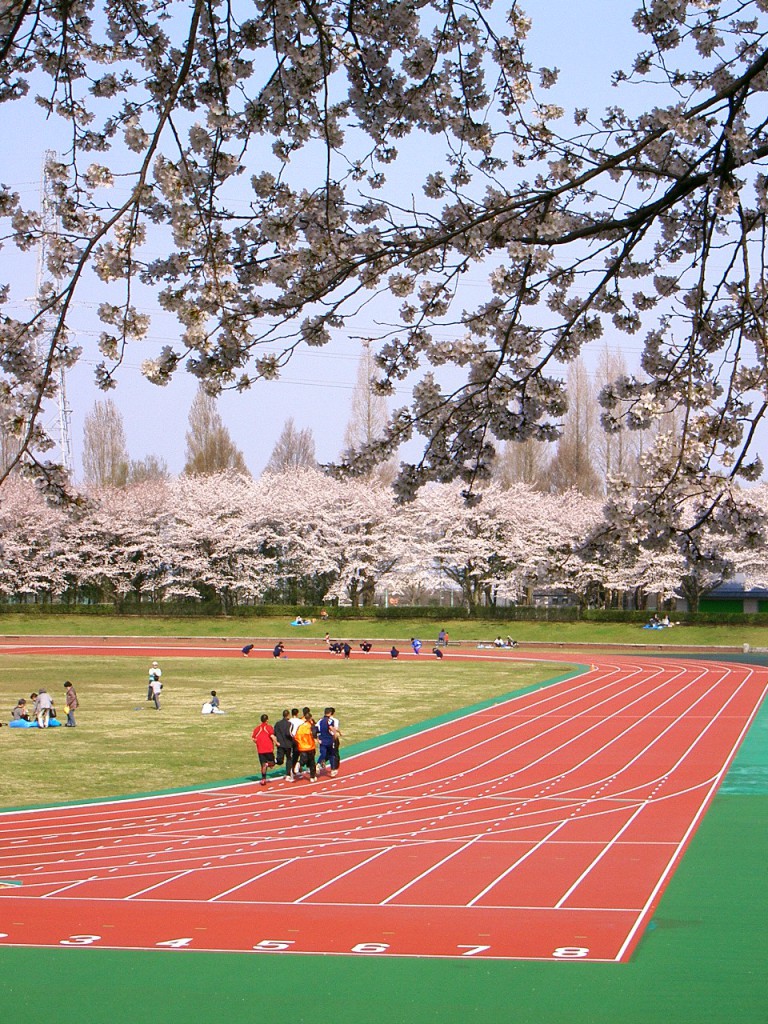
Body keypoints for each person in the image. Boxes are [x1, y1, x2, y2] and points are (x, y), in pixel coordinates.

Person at [251, 714, 277, 786]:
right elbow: (272, 736)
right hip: (268, 749)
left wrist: (257, 742)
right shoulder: (268, 727)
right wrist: (276, 742)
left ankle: (263, 779)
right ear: (267, 720)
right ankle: (267, 764)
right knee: (272, 763)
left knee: (263, 765)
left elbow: (253, 738)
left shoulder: (257, 729)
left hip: (260, 750)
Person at [293, 710, 318, 782]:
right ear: (310, 718)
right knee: (312, 761)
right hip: (310, 746)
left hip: (302, 746)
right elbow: (314, 734)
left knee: (304, 758)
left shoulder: (300, 727)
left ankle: (299, 763)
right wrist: (316, 739)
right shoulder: (310, 726)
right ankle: (312, 777)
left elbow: (296, 736)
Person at [317, 707, 341, 777]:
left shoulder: (320, 721)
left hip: (322, 740)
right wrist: (335, 734)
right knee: (332, 754)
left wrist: (318, 739)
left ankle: (318, 764)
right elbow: (333, 728)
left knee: (323, 753)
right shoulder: (332, 720)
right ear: (331, 713)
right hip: (330, 739)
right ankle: (333, 769)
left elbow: (315, 730)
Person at [274, 709, 295, 777]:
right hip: (288, 744)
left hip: (280, 744)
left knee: (280, 759)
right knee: (289, 759)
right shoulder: (290, 724)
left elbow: (275, 733)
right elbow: (289, 734)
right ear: (288, 715)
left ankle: (273, 761)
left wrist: (276, 741)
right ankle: (288, 773)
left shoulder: (277, 724)